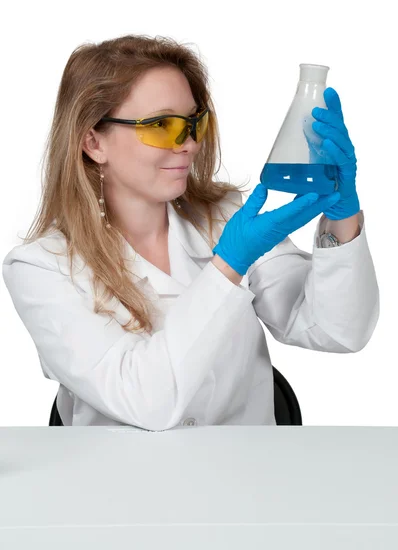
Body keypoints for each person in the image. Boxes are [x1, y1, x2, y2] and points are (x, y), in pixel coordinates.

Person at [2, 34, 379, 430]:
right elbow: (145, 401)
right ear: (93, 142)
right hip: (118, 485)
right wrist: (228, 266)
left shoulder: (225, 218)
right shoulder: (40, 268)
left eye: (195, 122)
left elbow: (338, 331)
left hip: (249, 479)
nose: (189, 144)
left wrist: (342, 218)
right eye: (162, 125)